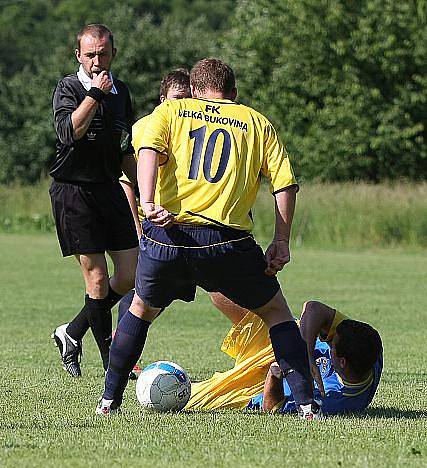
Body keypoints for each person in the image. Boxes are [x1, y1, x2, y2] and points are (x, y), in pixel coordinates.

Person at [96, 58, 320, 420]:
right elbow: (284, 183)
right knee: (276, 313)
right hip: (225, 242)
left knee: (140, 308)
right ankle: (308, 405)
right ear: (233, 92)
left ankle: (108, 401)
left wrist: (149, 202)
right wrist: (281, 240)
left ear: (196, 91)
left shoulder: (173, 111)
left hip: (169, 236)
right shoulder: (256, 121)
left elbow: (148, 150)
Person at [50, 24, 139, 377]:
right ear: (78, 56)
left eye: (103, 53)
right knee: (98, 279)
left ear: (113, 53)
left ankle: (71, 332)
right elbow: (69, 132)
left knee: (131, 274)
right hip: (73, 190)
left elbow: (123, 148)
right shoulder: (68, 88)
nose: (97, 61)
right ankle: (112, 367)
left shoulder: (123, 93)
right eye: (90, 55)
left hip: (109, 188)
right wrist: (95, 95)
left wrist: (148, 191)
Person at [187, 295, 383, 415]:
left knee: (190, 398)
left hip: (262, 382)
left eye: (332, 344)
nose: (327, 341)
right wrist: (303, 354)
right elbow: (313, 308)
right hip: (284, 340)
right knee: (221, 295)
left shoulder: (333, 401)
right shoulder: (370, 344)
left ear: (342, 361)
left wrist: (275, 374)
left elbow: (272, 408)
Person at [117, 69, 192, 325]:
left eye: (188, 98)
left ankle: (76, 330)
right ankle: (117, 349)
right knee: (144, 295)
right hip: (152, 225)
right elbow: (127, 183)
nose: (183, 104)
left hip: (183, 224)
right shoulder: (145, 128)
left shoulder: (195, 129)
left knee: (160, 294)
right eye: (177, 97)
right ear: (162, 100)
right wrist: (138, 231)